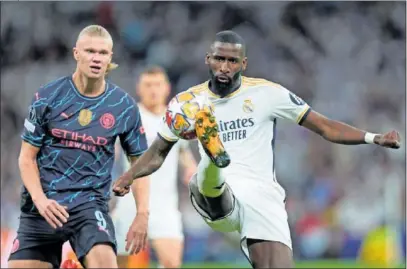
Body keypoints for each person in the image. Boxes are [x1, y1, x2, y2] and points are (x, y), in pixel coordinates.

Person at [112, 30, 401, 268]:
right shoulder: (187, 102)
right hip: (216, 195)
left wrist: (372, 137)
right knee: (209, 175)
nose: (225, 67)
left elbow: (324, 126)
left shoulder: (267, 93)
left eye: (232, 61)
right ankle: (214, 156)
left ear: (244, 63)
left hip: (262, 197)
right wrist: (129, 176)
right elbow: (158, 151)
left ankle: (214, 154)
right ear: (208, 59)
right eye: (219, 59)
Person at [8, 25, 150, 269]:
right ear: (76, 53)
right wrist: (41, 201)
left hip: (89, 206)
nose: (96, 58)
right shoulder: (47, 97)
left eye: (103, 53)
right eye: (90, 51)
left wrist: (142, 214)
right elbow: (26, 159)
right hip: (43, 206)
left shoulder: (123, 106)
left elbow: (140, 165)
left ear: (110, 58)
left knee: (106, 264)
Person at [111, 66, 197, 268]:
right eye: (148, 85)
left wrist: (191, 169)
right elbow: (111, 151)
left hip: (164, 205)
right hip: (130, 203)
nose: (153, 90)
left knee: (171, 263)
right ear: (138, 88)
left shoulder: (177, 118)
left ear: (167, 88)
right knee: (119, 264)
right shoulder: (129, 116)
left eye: (157, 84)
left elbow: (183, 151)